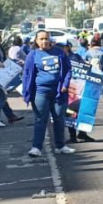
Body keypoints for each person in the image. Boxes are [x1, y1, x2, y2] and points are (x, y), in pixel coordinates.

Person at [21, 30, 74, 158]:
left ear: (50, 40)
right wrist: (26, 91)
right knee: (40, 119)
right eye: (41, 39)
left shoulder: (59, 53)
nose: (44, 41)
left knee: (59, 119)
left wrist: (65, 84)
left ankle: (60, 146)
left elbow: (68, 70)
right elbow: (27, 74)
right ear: (36, 41)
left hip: (59, 92)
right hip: (40, 92)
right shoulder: (32, 55)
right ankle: (36, 147)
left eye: (46, 38)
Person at [67, 39, 97, 144]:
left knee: (82, 110)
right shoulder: (59, 58)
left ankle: (82, 134)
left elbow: (86, 69)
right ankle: (73, 135)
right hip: (67, 90)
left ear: (67, 47)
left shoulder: (75, 57)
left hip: (78, 88)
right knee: (70, 113)